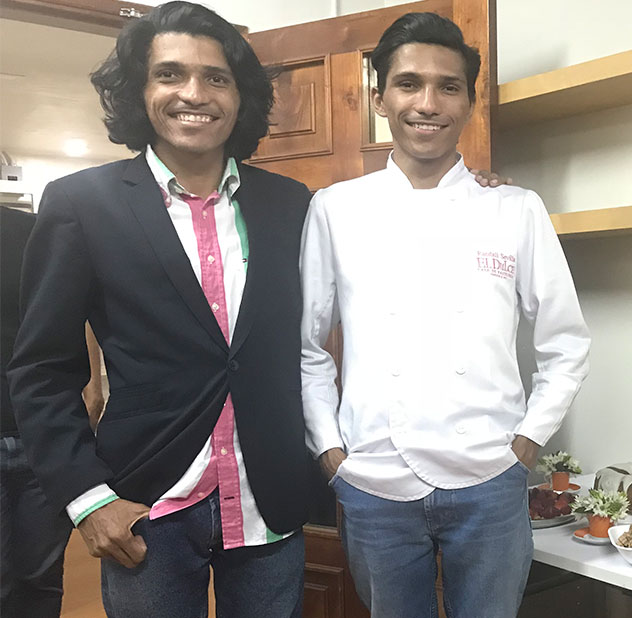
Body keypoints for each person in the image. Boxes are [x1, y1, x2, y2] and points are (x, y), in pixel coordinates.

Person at [8, 3, 313, 616]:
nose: (194, 94)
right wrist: (87, 499)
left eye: (216, 77)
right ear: (139, 89)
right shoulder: (80, 204)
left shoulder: (291, 203)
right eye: (169, 74)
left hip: (269, 498)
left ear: (240, 96)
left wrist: (471, 188)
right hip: (145, 506)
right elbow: (42, 370)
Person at [300, 12, 591, 618]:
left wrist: (527, 443)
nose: (427, 104)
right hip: (374, 481)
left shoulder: (514, 208)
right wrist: (330, 449)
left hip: (490, 477)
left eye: (448, 87)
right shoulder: (335, 209)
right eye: (408, 84)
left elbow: (565, 343)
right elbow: (308, 346)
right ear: (380, 98)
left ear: (469, 103)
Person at [1, 205, 104, 618]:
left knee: (42, 577)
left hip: (42, 432)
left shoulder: (31, 230)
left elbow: (78, 307)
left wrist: (93, 386)